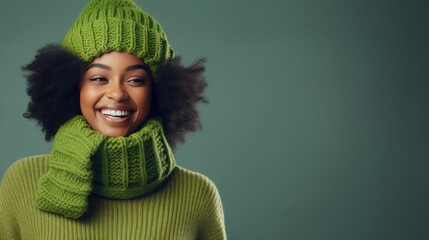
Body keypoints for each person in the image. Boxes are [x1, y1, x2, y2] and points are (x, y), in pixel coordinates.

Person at [0, 0, 226, 239]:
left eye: (135, 80)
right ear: (72, 87)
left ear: (159, 90)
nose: (117, 93)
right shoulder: (22, 183)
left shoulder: (198, 194)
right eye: (99, 78)